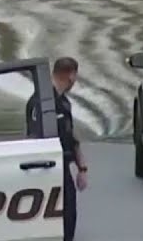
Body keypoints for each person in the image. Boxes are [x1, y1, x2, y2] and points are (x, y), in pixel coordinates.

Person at [50, 57, 87, 241]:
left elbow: (72, 138)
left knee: (69, 215)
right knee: (57, 219)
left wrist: (82, 168)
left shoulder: (64, 103)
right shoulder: (42, 104)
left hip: (62, 167)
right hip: (48, 168)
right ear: (71, 76)